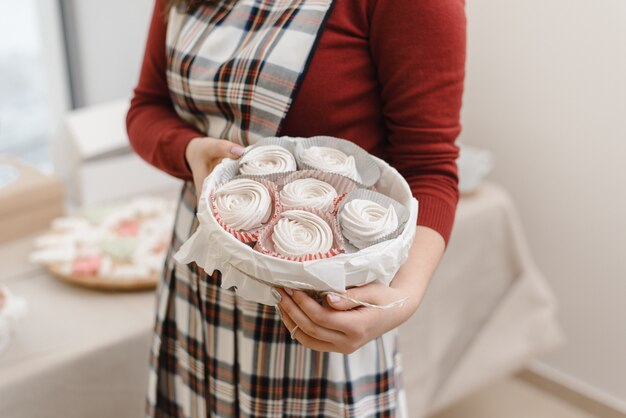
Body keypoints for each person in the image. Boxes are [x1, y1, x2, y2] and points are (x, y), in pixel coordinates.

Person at [127, 0, 466, 416]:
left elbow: (430, 169)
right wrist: (189, 150)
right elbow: (147, 107)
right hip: (199, 282)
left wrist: (400, 300)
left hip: (318, 313)